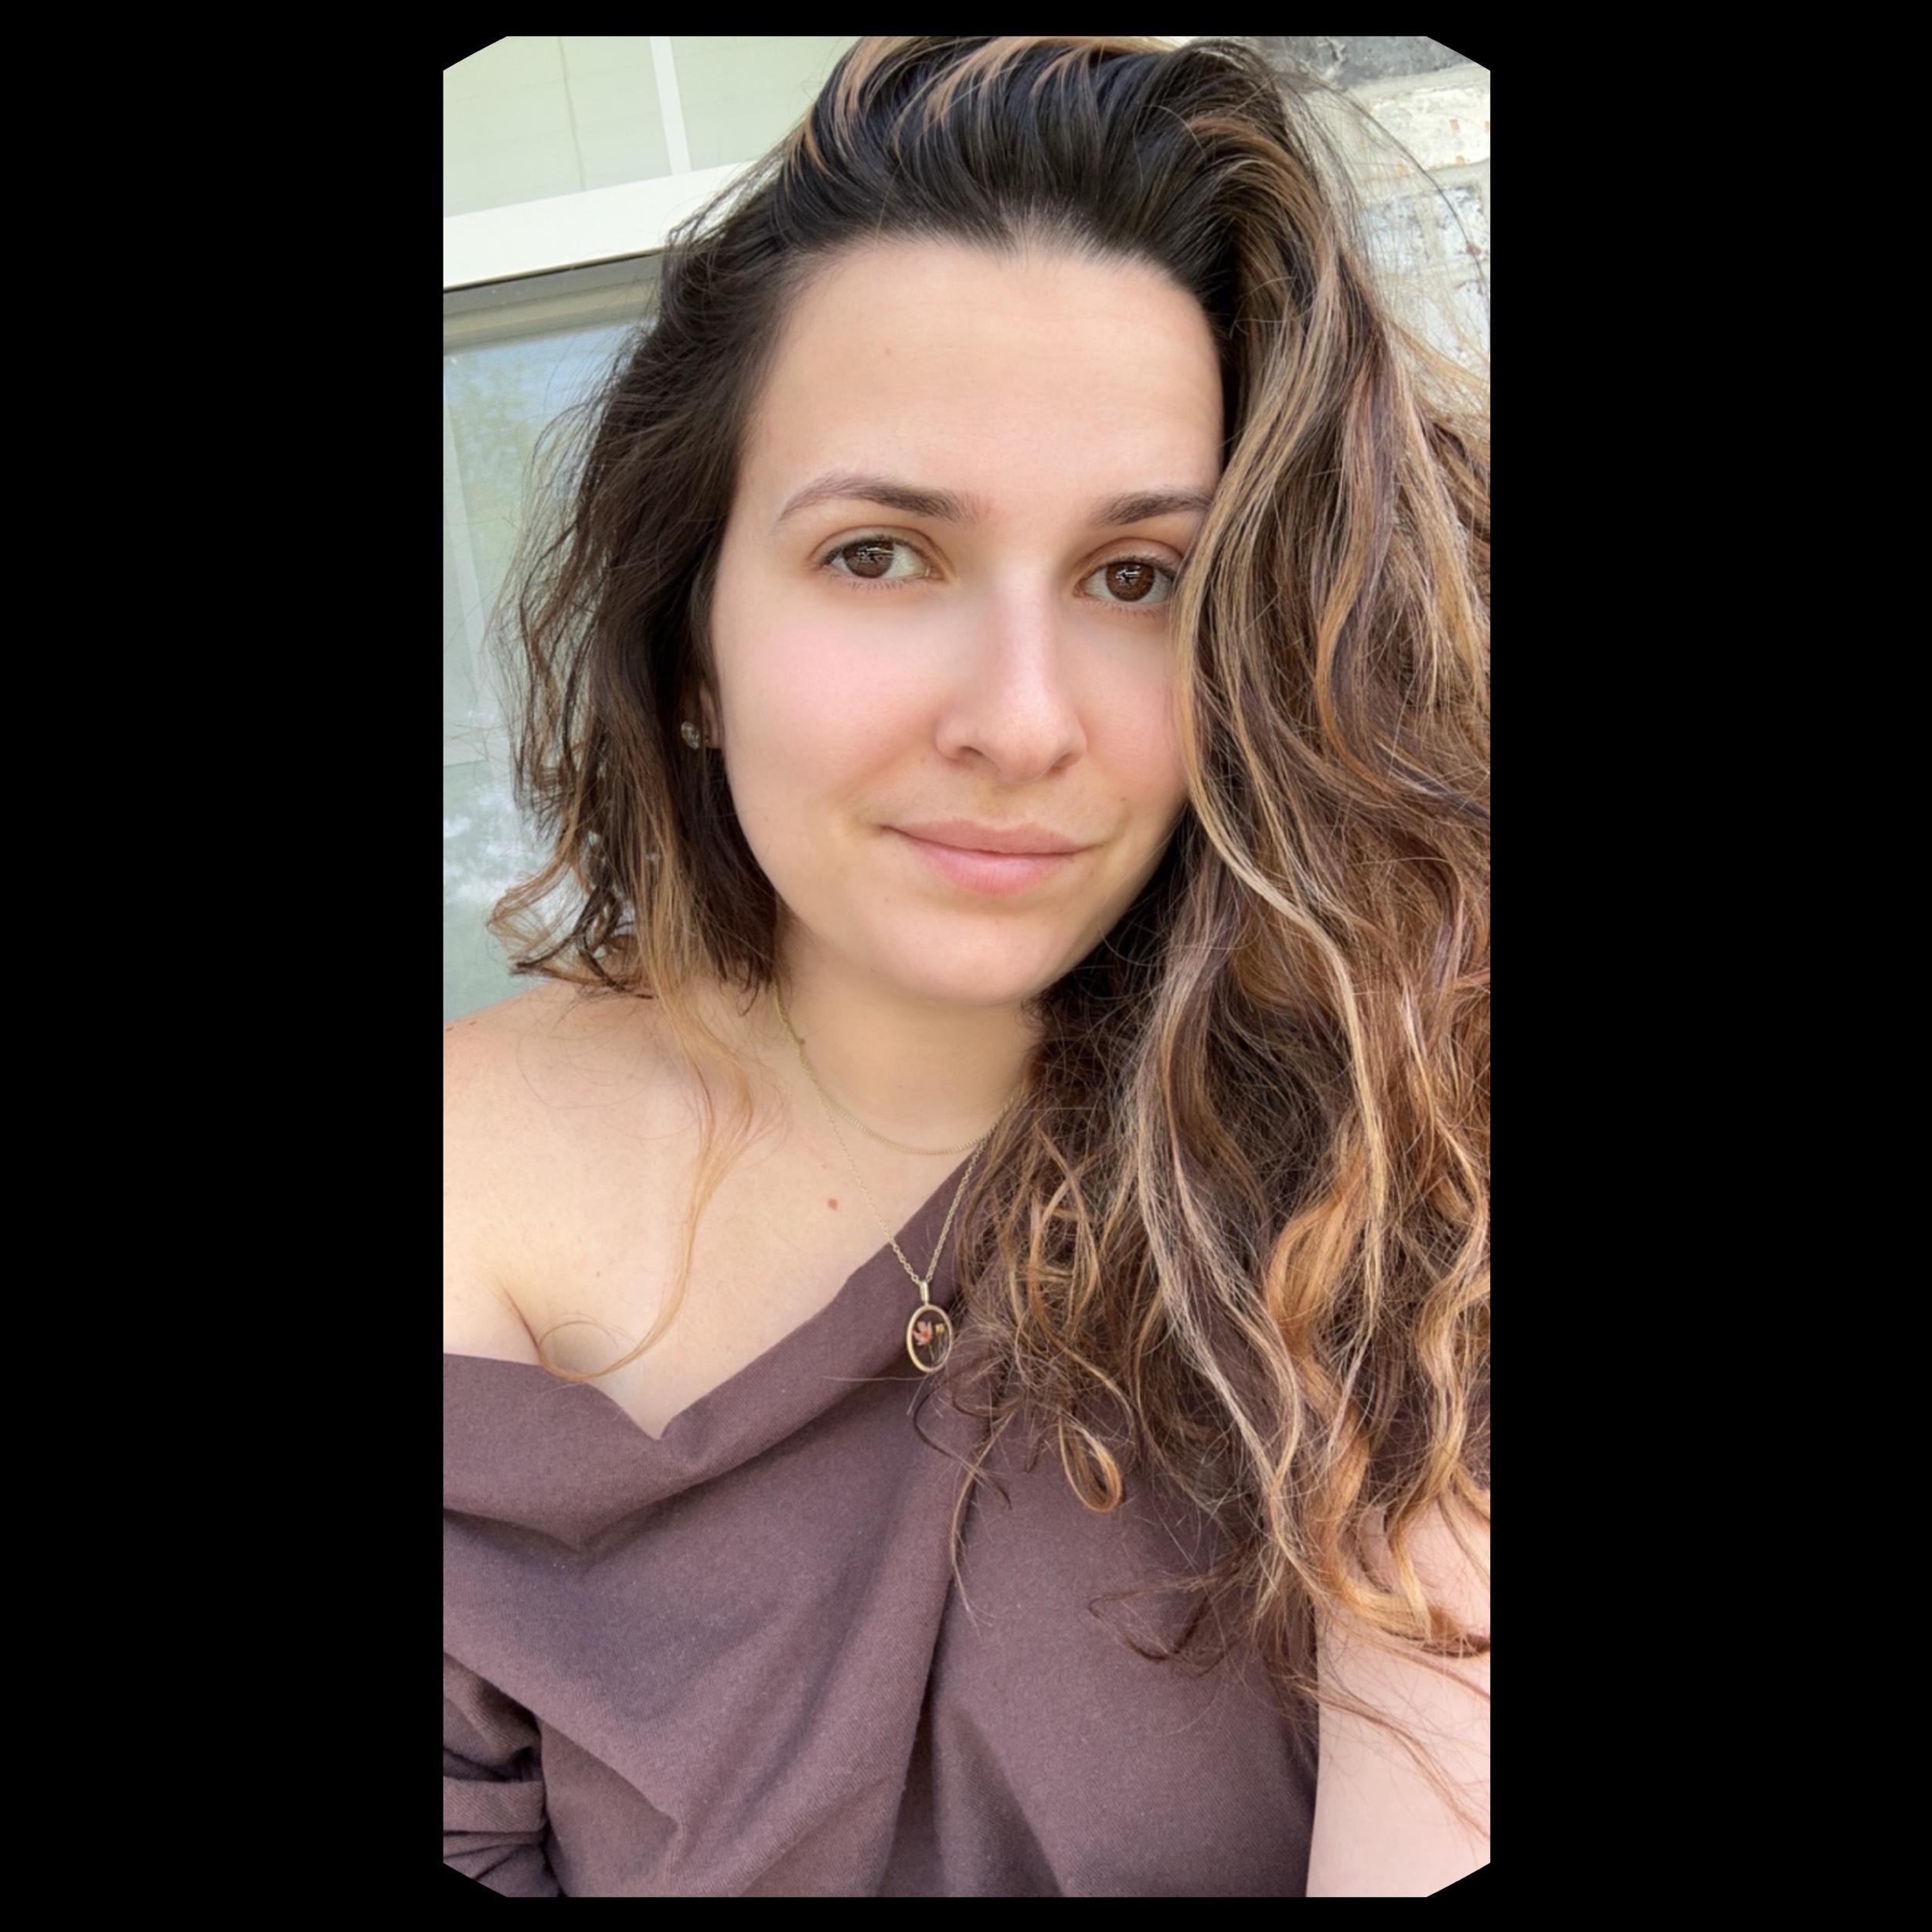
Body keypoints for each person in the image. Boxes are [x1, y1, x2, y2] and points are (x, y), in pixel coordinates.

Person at [444, 35, 1488, 1898]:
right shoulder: (467, 1186)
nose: (1019, 721)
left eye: (1135, 576)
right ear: (688, 643)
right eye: (879, 553)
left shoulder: (1388, 1160)